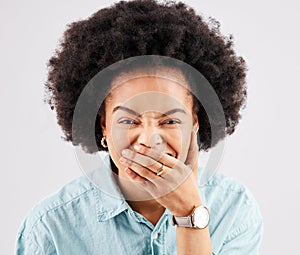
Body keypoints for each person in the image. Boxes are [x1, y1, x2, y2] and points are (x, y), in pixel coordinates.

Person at [15, 0, 263, 254]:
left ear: (195, 123)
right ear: (104, 127)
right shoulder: (49, 229)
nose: (149, 139)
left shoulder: (235, 210)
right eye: (129, 121)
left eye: (169, 121)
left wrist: (190, 217)